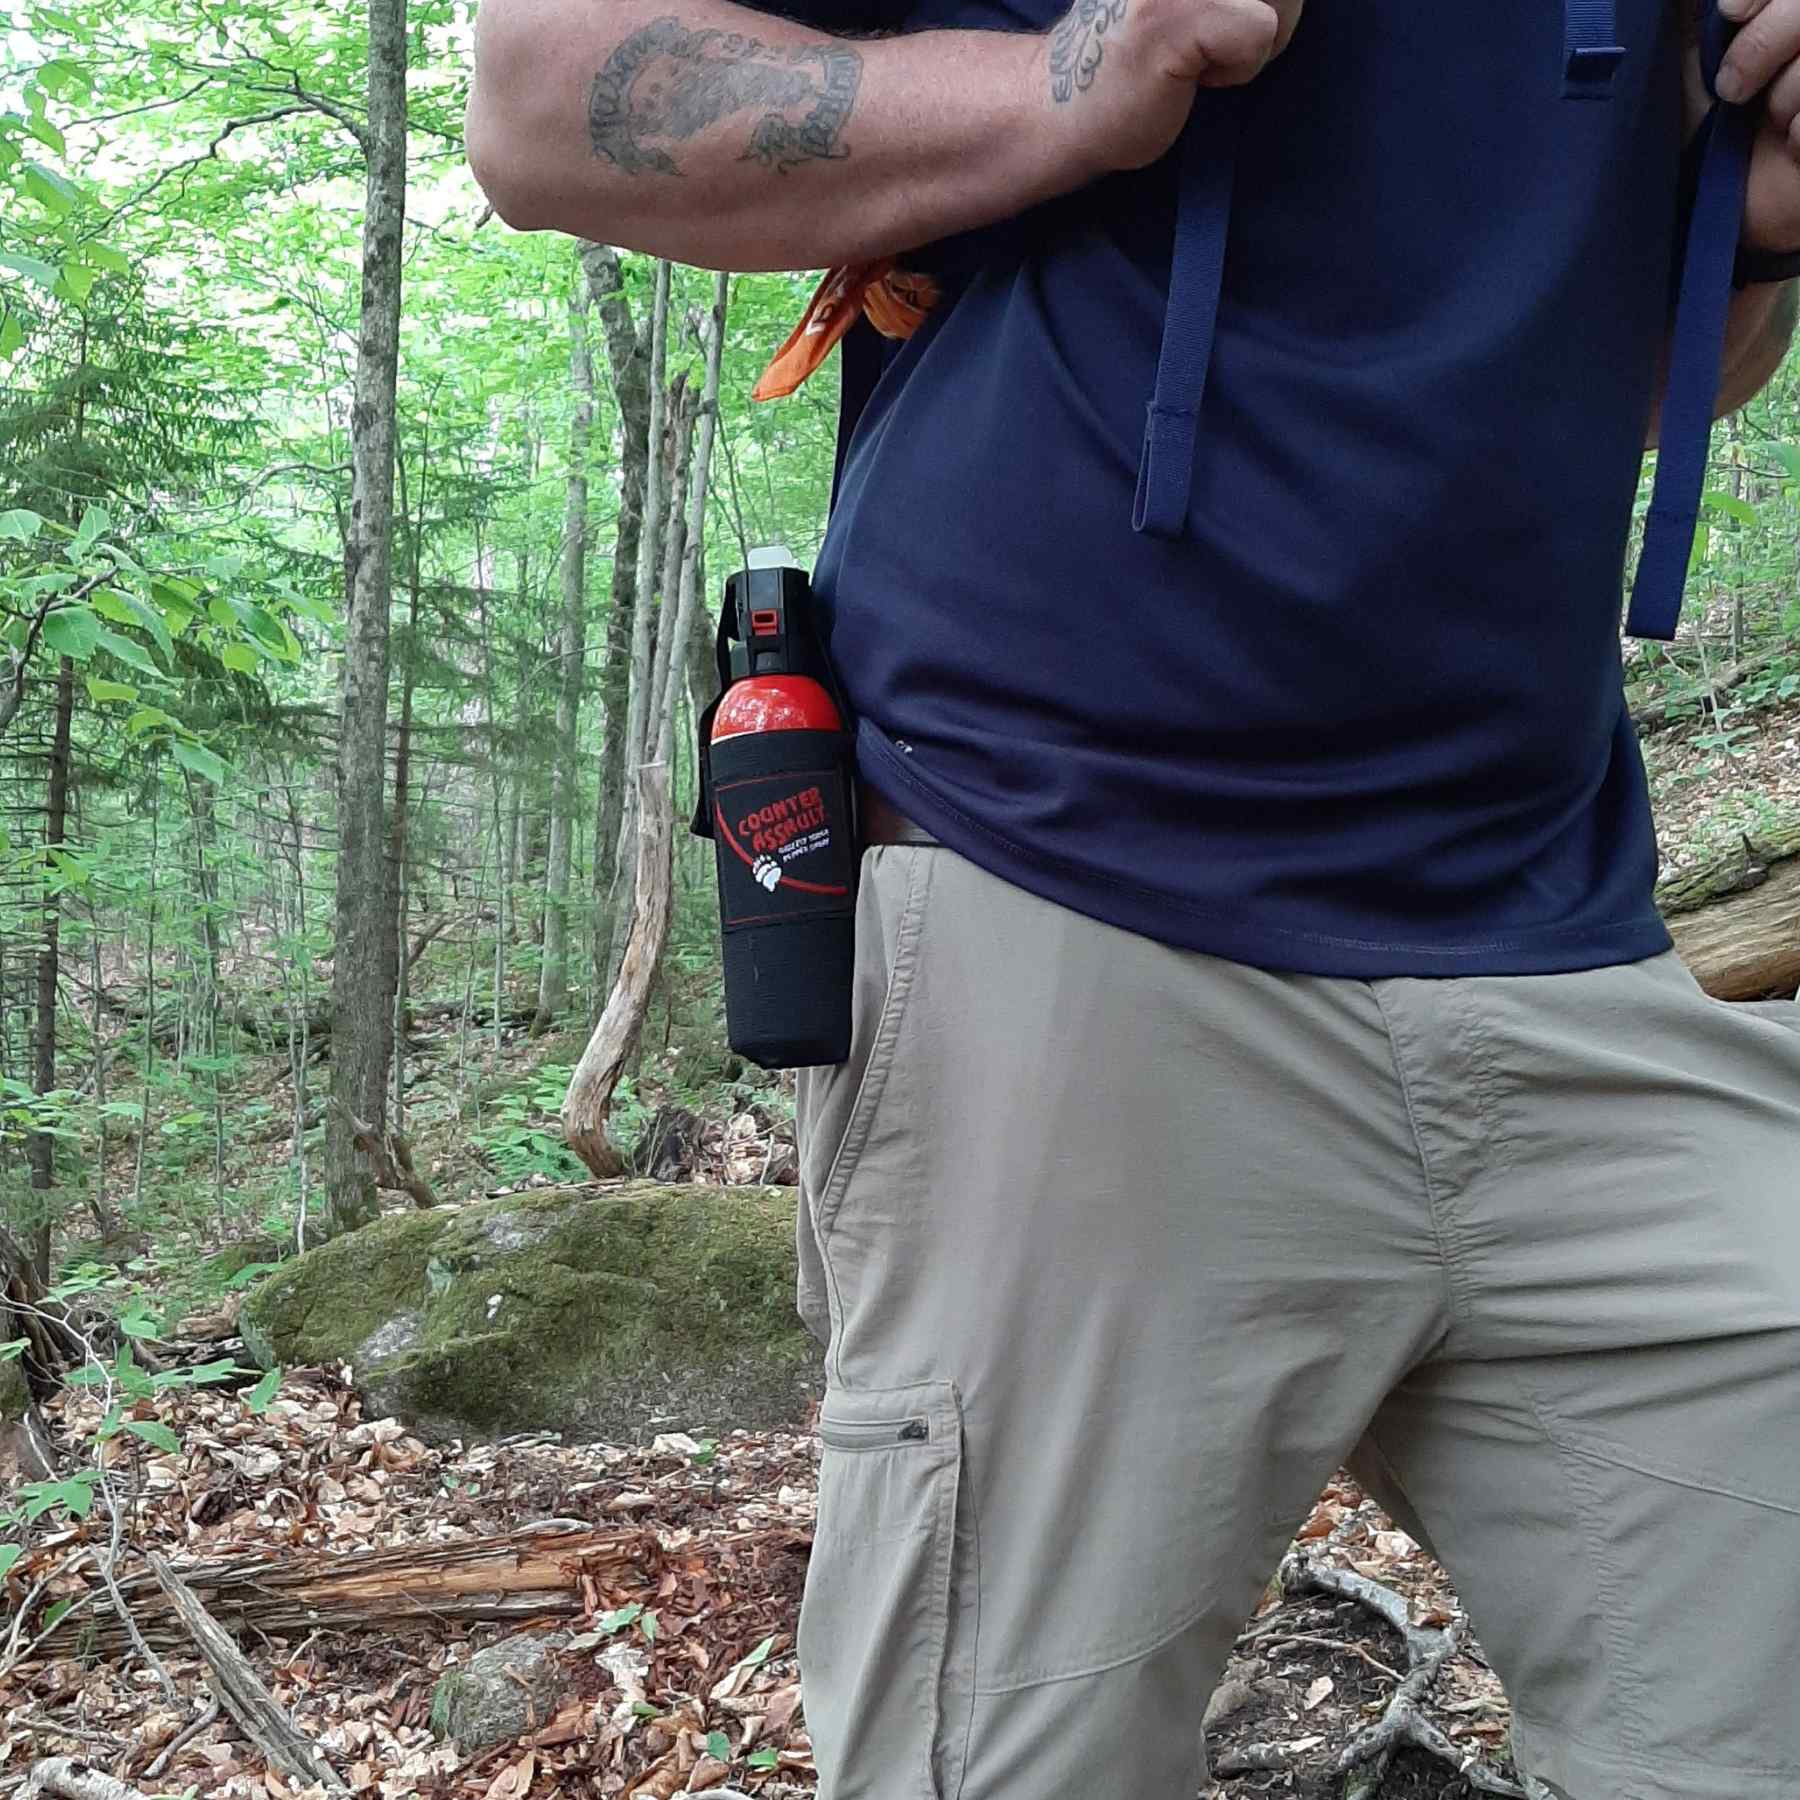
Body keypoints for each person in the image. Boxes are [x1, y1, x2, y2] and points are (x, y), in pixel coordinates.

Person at [464, 1, 1800, 1793]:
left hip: (1558, 930)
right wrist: (1070, 77)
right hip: (1061, 892)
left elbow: (1627, 373)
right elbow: (545, 101)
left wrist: (1763, 220)